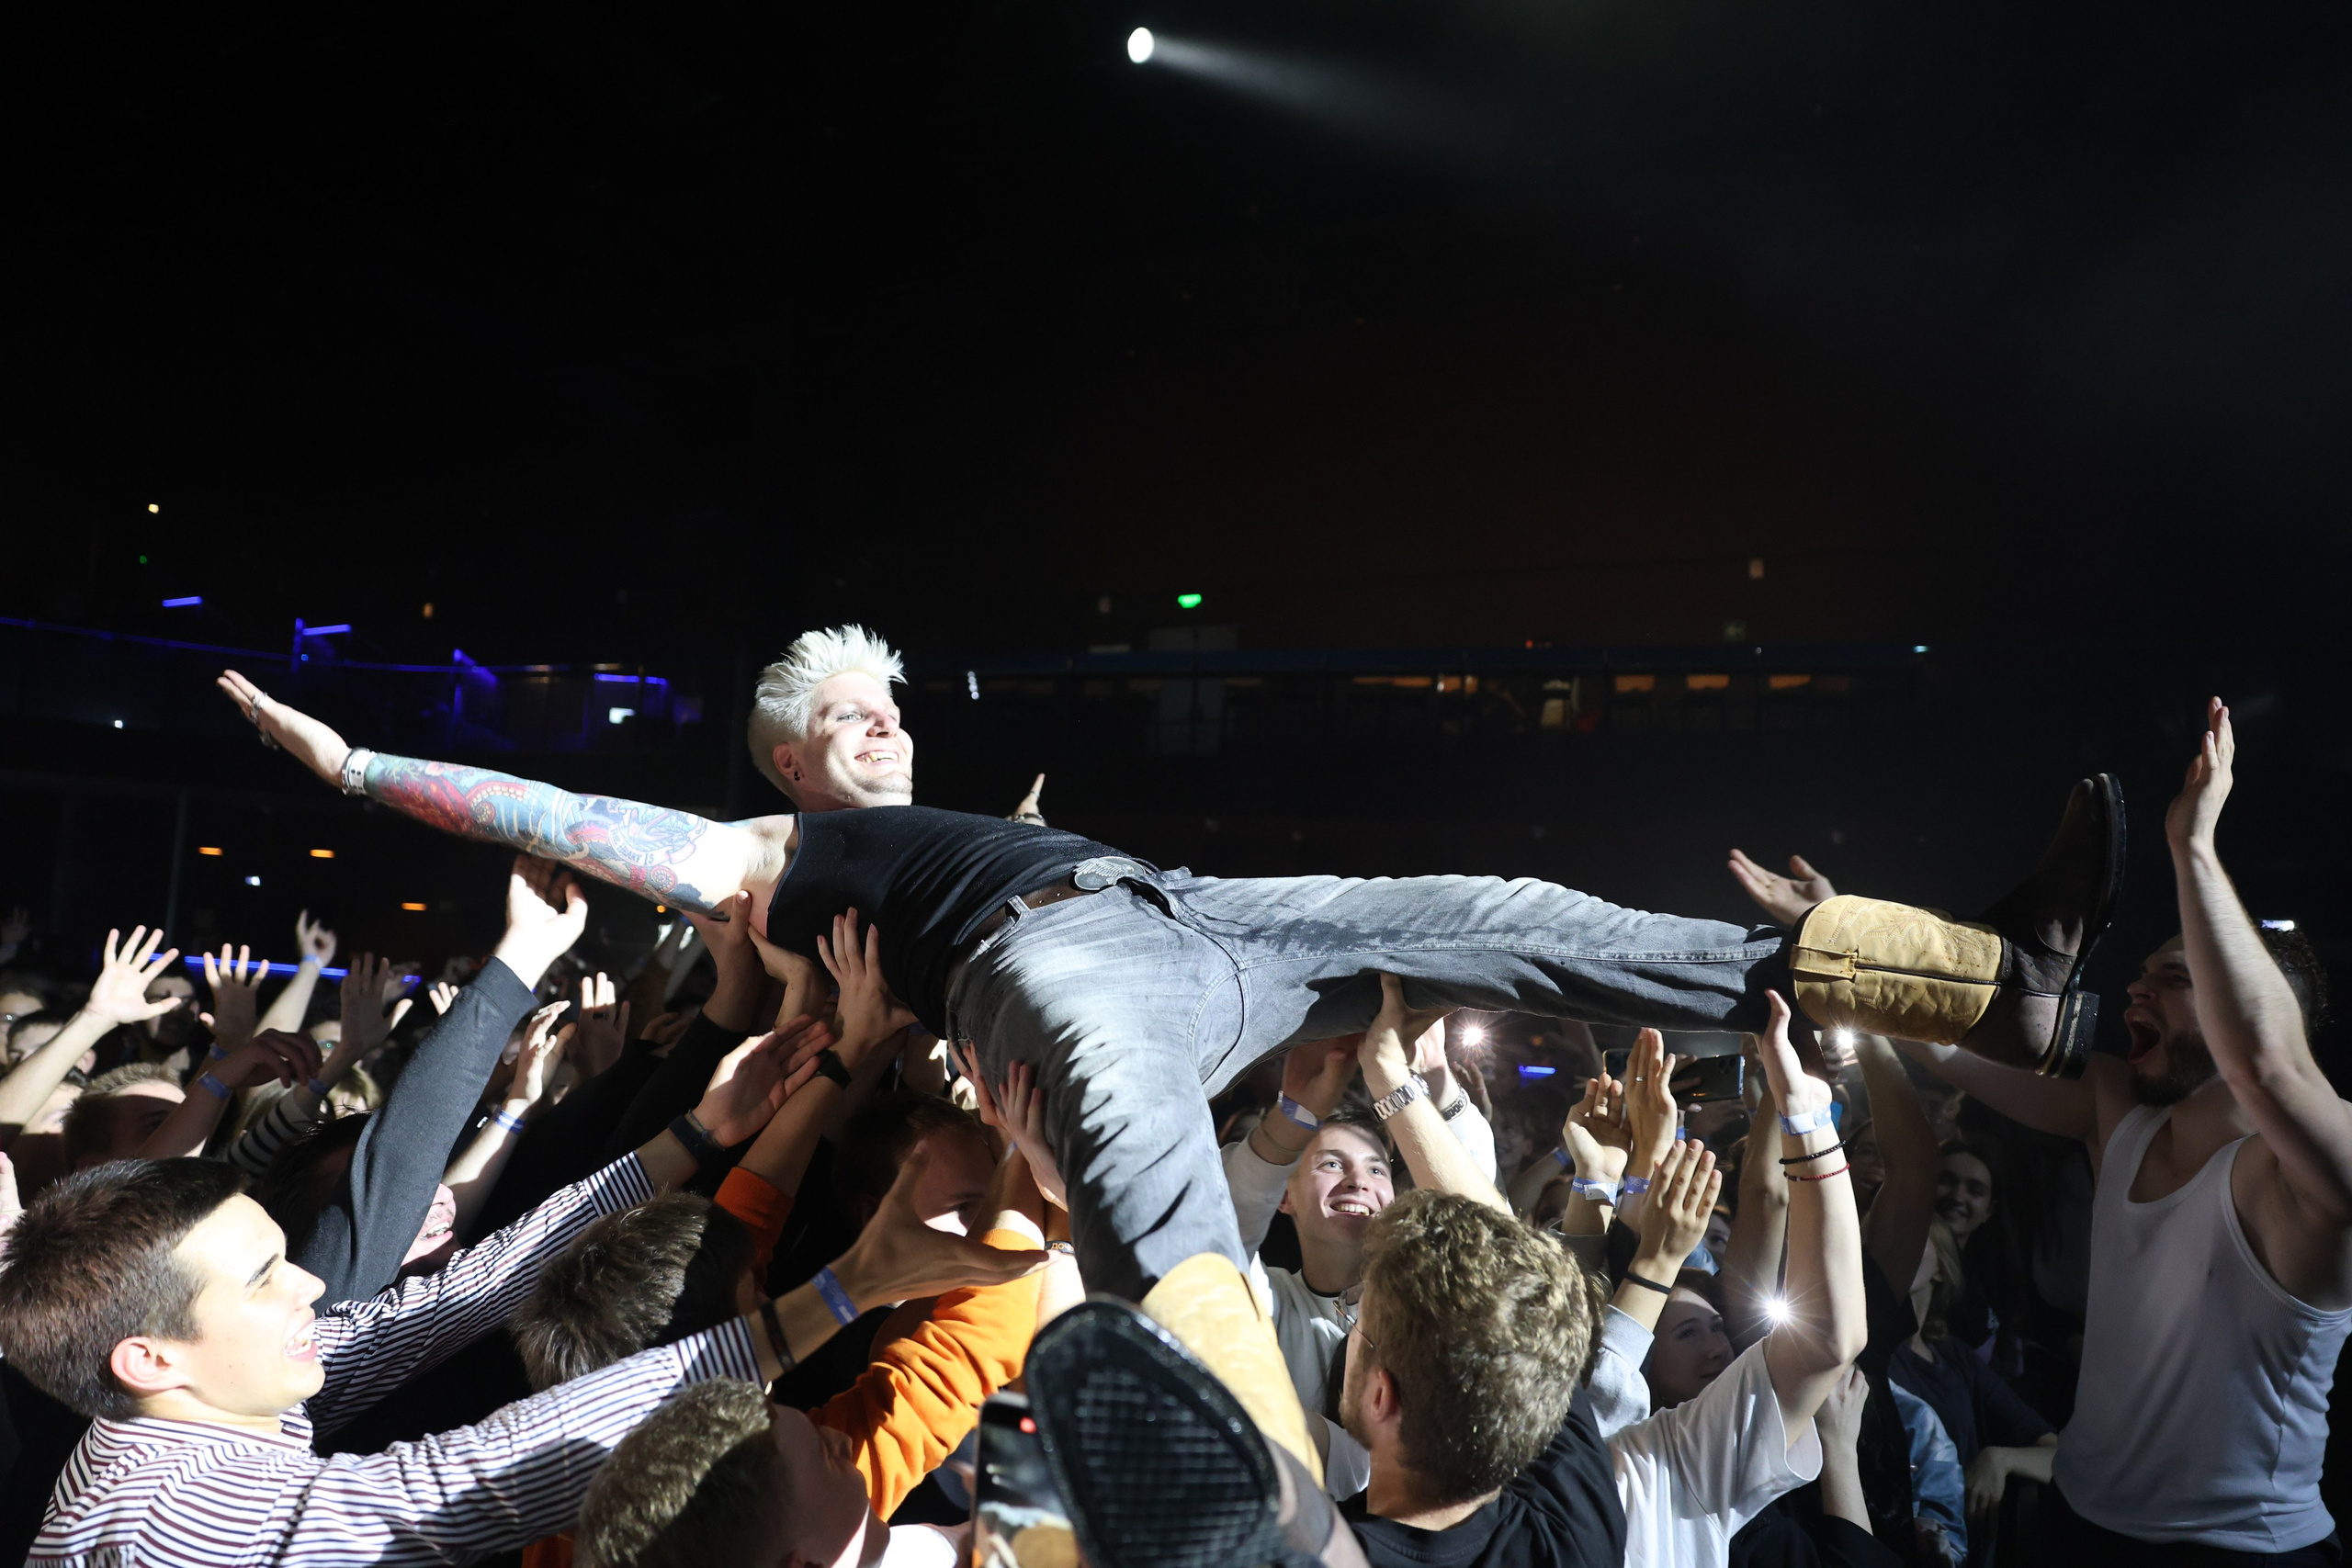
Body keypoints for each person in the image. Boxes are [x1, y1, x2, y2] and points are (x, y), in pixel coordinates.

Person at [218, 663, 2122, 1303]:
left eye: (892, 702)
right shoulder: (764, 862)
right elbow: (563, 804)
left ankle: (1997, 990)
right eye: (852, 713)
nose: (891, 726)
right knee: (1142, 1172)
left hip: (1198, 905)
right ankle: (1235, 1513)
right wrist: (365, 774)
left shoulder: (965, 812)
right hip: (1062, 980)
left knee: (1502, 905)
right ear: (792, 757)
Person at [0, 1039, 1045, 1566]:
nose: (313, 1283)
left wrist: (704, 1126)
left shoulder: (194, 1402)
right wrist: (842, 1291)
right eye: (268, 1277)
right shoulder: (172, 1522)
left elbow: (456, 1296)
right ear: (150, 1359)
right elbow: (461, 1481)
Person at [1890, 700, 2350, 1564]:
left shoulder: (2318, 1173)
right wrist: (1841, 938)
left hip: (2239, 1550)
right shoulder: (2119, 1111)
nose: (2135, 992)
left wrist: (2195, 849)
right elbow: (1944, 1048)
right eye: (2144, 974)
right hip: (2085, 1522)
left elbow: (2267, 1067)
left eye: (2173, 979)